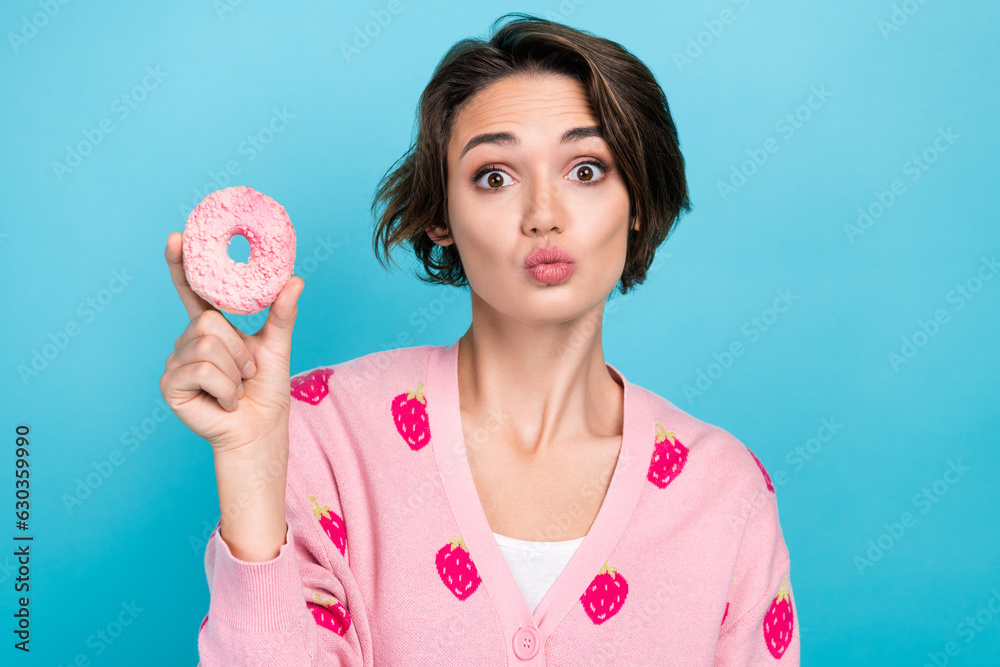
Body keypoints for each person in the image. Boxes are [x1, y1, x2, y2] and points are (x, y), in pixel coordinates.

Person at [162, 13, 799, 666]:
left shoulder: (725, 491)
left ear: (636, 200)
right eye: (495, 175)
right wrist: (249, 469)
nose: (544, 215)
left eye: (586, 170)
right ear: (441, 215)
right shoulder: (318, 432)